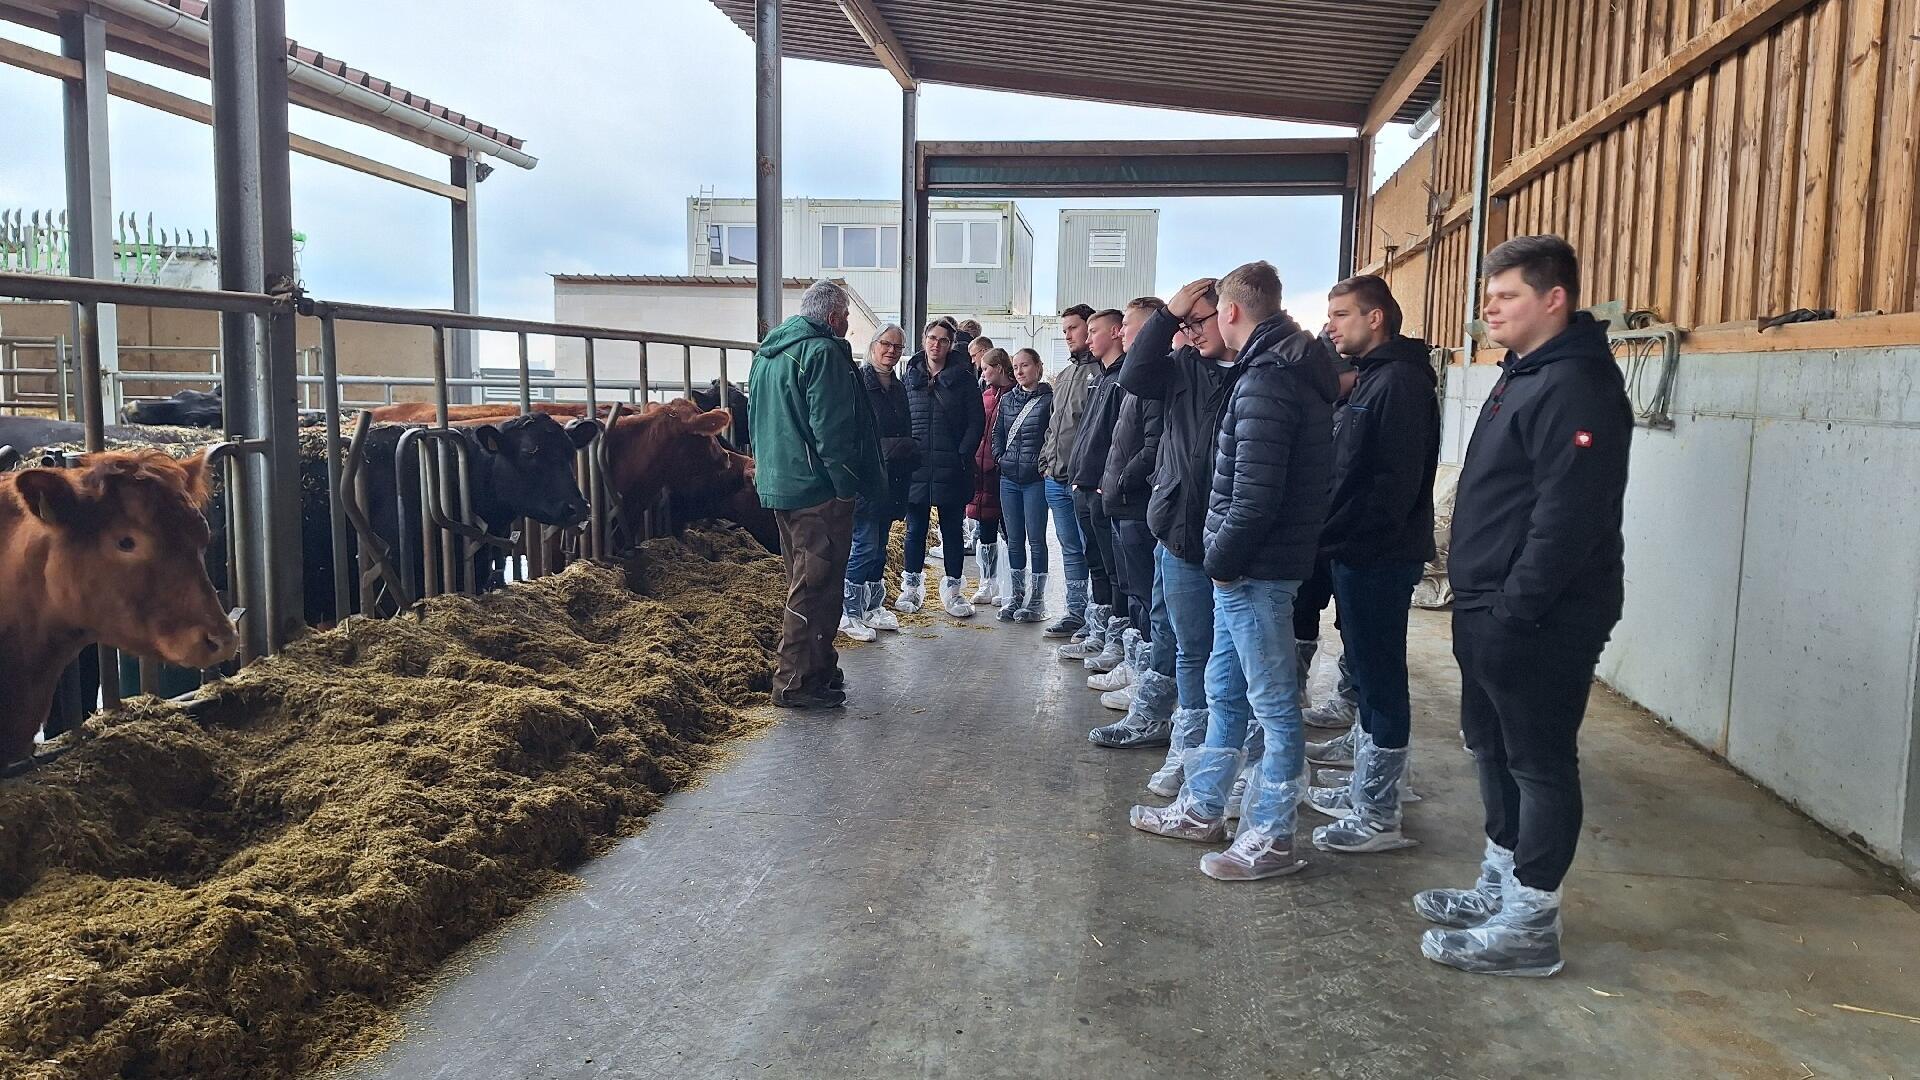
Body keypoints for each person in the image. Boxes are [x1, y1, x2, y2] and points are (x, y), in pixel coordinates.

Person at [1416, 235, 1631, 977]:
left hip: (1540, 615)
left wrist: (1516, 611)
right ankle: (1500, 883)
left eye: (1505, 295)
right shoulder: (1524, 374)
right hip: (1488, 606)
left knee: (1538, 763)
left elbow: (1567, 518)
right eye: (1489, 295)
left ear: (1554, 299)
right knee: (1491, 748)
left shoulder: (1578, 385)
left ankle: (1532, 920)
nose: (1490, 307)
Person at [1129, 261, 1338, 883]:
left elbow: (1255, 494)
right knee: (1225, 690)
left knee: (1274, 707)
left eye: (1211, 314)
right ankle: (1205, 806)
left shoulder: (1269, 379)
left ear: (1233, 311)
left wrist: (1219, 562)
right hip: (1242, 568)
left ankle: (1272, 836)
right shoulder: (1266, 370)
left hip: (1255, 570)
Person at [1294, 275, 1439, 856]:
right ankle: (1370, 786)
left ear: (1375, 318)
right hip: (1357, 550)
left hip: (1377, 554)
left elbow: (1388, 486)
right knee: (1373, 671)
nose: (1331, 325)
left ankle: (1379, 812)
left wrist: (1341, 537)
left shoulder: (1398, 384)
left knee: (1380, 677)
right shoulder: (1377, 381)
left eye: (1341, 315)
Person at [1113, 284, 1238, 796]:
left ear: (1230, 315)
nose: (1191, 332)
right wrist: (1171, 314)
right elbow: (1135, 373)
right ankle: (1185, 751)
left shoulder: (1257, 371)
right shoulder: (1186, 368)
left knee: (1228, 660)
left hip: (1230, 533)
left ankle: (1225, 762)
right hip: (1179, 528)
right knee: (1187, 647)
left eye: (1199, 321)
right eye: (1185, 325)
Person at [747, 280, 888, 709]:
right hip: (817, 489)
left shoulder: (768, 354)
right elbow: (833, 429)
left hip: (782, 485)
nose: (847, 323)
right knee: (814, 585)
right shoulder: (823, 352)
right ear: (831, 317)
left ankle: (821, 667)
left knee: (810, 581)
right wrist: (846, 487)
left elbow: (755, 420)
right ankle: (794, 682)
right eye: (846, 315)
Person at [1088, 297, 1171, 736]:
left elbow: (1153, 445)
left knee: (1145, 599)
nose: (1121, 334)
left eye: (1130, 327)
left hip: (1138, 506)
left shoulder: (1148, 382)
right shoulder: (1127, 383)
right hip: (1121, 502)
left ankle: (1149, 688)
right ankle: (1139, 674)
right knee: (1134, 591)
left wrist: (1120, 480)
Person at [899, 319, 988, 619]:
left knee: (951, 529)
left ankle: (953, 588)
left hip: (953, 464)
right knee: (915, 529)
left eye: (944, 340)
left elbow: (976, 421)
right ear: (923, 340)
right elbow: (901, 416)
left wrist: (963, 452)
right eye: (932, 338)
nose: (937, 345)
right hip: (917, 464)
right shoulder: (909, 376)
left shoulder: (963, 379)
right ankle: (911, 585)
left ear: (952, 345)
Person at [1060, 309, 1129, 675]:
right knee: (1096, 563)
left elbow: (1121, 439)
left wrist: (1107, 480)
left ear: (1116, 332)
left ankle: (1119, 639)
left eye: (1093, 331)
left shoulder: (1123, 379)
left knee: (1115, 569)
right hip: (1084, 483)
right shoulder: (1100, 378)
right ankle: (1101, 629)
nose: (1087, 339)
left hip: (1103, 488)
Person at [843, 323, 917, 640]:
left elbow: (905, 431)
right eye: (886, 344)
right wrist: (899, 446)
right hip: (867, 478)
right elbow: (857, 436)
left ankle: (872, 607)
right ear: (873, 345)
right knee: (863, 545)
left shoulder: (898, 387)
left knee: (881, 545)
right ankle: (848, 613)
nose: (891, 351)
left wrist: (901, 448)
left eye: (898, 347)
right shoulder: (859, 383)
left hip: (894, 479)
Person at [1038, 303, 1098, 638]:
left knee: (1093, 550)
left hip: (1082, 482)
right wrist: (1046, 463)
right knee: (1071, 549)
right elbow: (1053, 425)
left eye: (1072, 329)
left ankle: (1096, 617)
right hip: (1055, 479)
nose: (1067, 336)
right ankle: (1075, 613)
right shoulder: (1063, 376)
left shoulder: (1100, 374)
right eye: (1064, 331)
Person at [992, 347, 1053, 622]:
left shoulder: (1049, 400)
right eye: (1015, 367)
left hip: (1035, 481)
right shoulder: (1007, 400)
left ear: (1038, 366)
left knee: (1036, 540)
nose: (1019, 371)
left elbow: (1052, 436)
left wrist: (1043, 467)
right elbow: (997, 433)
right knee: (1014, 540)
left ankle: (1037, 600)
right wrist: (1000, 459)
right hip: (1009, 479)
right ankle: (1016, 596)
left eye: (1025, 365)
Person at [968, 348, 1013, 607]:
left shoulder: (1015, 396)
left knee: (1008, 529)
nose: (983, 374)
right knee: (985, 527)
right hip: (981, 470)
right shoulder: (985, 395)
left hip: (1000, 470)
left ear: (998, 368)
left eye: (986, 369)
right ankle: (988, 581)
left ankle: (1010, 584)